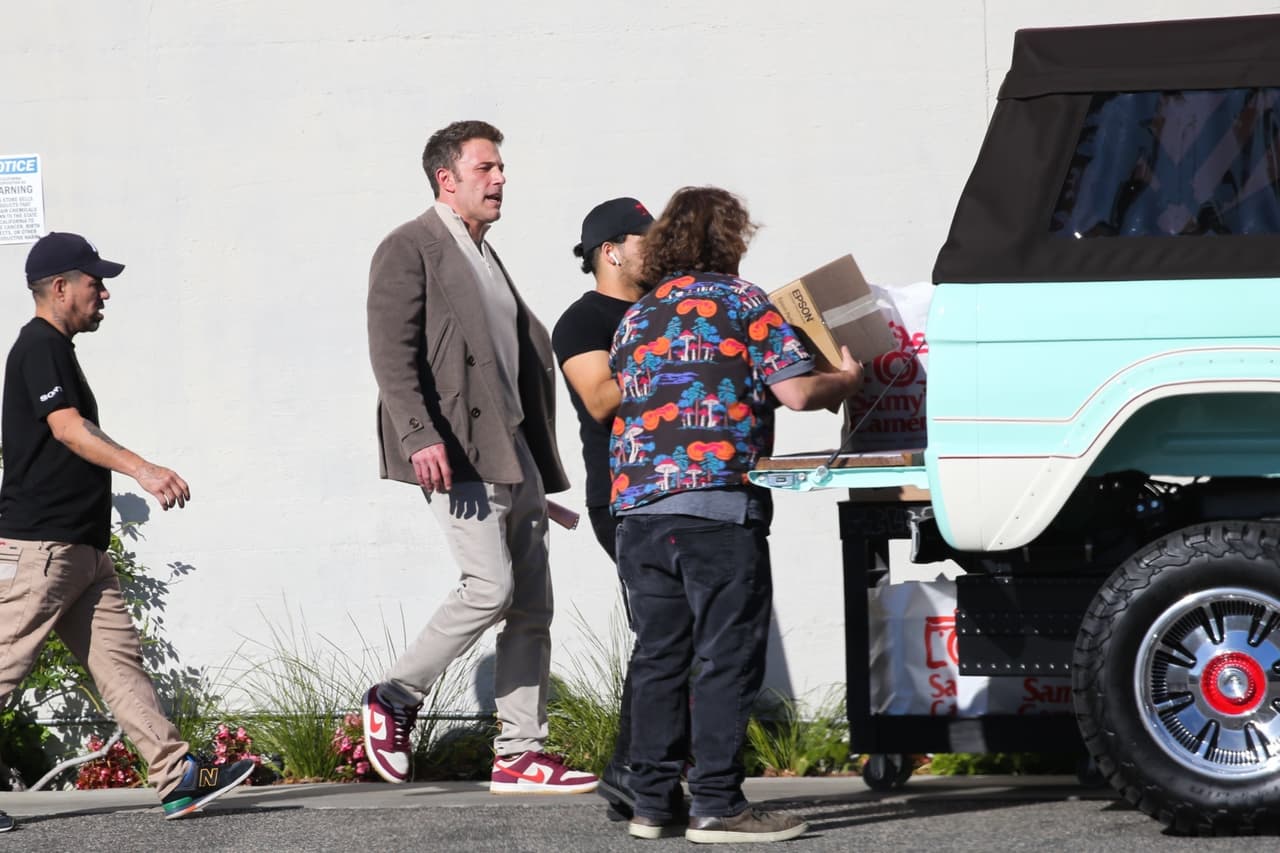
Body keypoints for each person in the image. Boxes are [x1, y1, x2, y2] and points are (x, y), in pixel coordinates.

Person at [609, 187, 865, 843]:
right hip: (718, 508)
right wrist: (846, 377)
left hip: (639, 512)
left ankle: (651, 803)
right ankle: (718, 804)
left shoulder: (638, 316)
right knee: (726, 656)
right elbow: (797, 391)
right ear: (732, 238)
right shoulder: (746, 303)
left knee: (659, 656)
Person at [362, 120, 597, 794]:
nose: (500, 179)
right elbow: (391, 351)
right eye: (486, 168)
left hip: (508, 453)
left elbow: (508, 368)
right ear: (447, 178)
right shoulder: (411, 246)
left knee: (531, 605)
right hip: (454, 449)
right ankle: (396, 696)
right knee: (489, 587)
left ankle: (522, 753)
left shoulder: (484, 254)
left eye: (501, 168)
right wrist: (418, 434)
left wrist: (531, 476)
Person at [0, 232, 255, 826]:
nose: (104, 292)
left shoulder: (57, 349)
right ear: (59, 287)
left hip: (81, 548)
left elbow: (76, 432)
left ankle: (177, 777)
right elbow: (67, 430)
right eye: (93, 282)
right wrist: (144, 469)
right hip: (42, 546)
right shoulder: (37, 346)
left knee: (120, 668)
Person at [551, 197, 680, 819]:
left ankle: (642, 769)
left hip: (680, 490)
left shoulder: (667, 311)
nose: (657, 251)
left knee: (677, 632)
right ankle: (634, 769)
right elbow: (602, 399)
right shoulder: (582, 321)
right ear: (611, 250)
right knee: (663, 631)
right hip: (621, 497)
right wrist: (683, 360)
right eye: (645, 241)